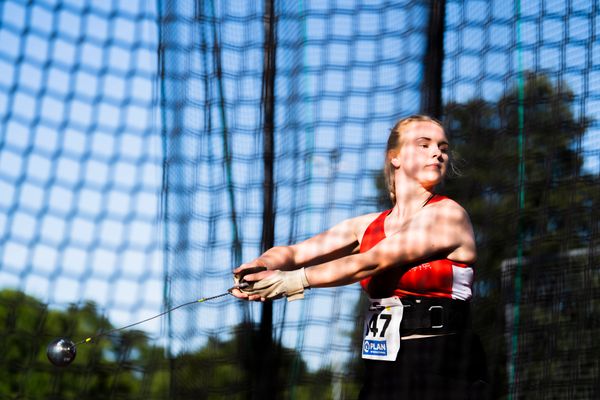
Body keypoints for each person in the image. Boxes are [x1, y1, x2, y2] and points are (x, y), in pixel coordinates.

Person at [232, 115, 489, 399]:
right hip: (384, 368)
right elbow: (295, 252)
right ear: (396, 157)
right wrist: (262, 265)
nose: (437, 152)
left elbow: (372, 261)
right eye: (423, 144)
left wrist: (292, 281)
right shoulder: (366, 226)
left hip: (444, 365)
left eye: (442, 147)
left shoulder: (448, 214)